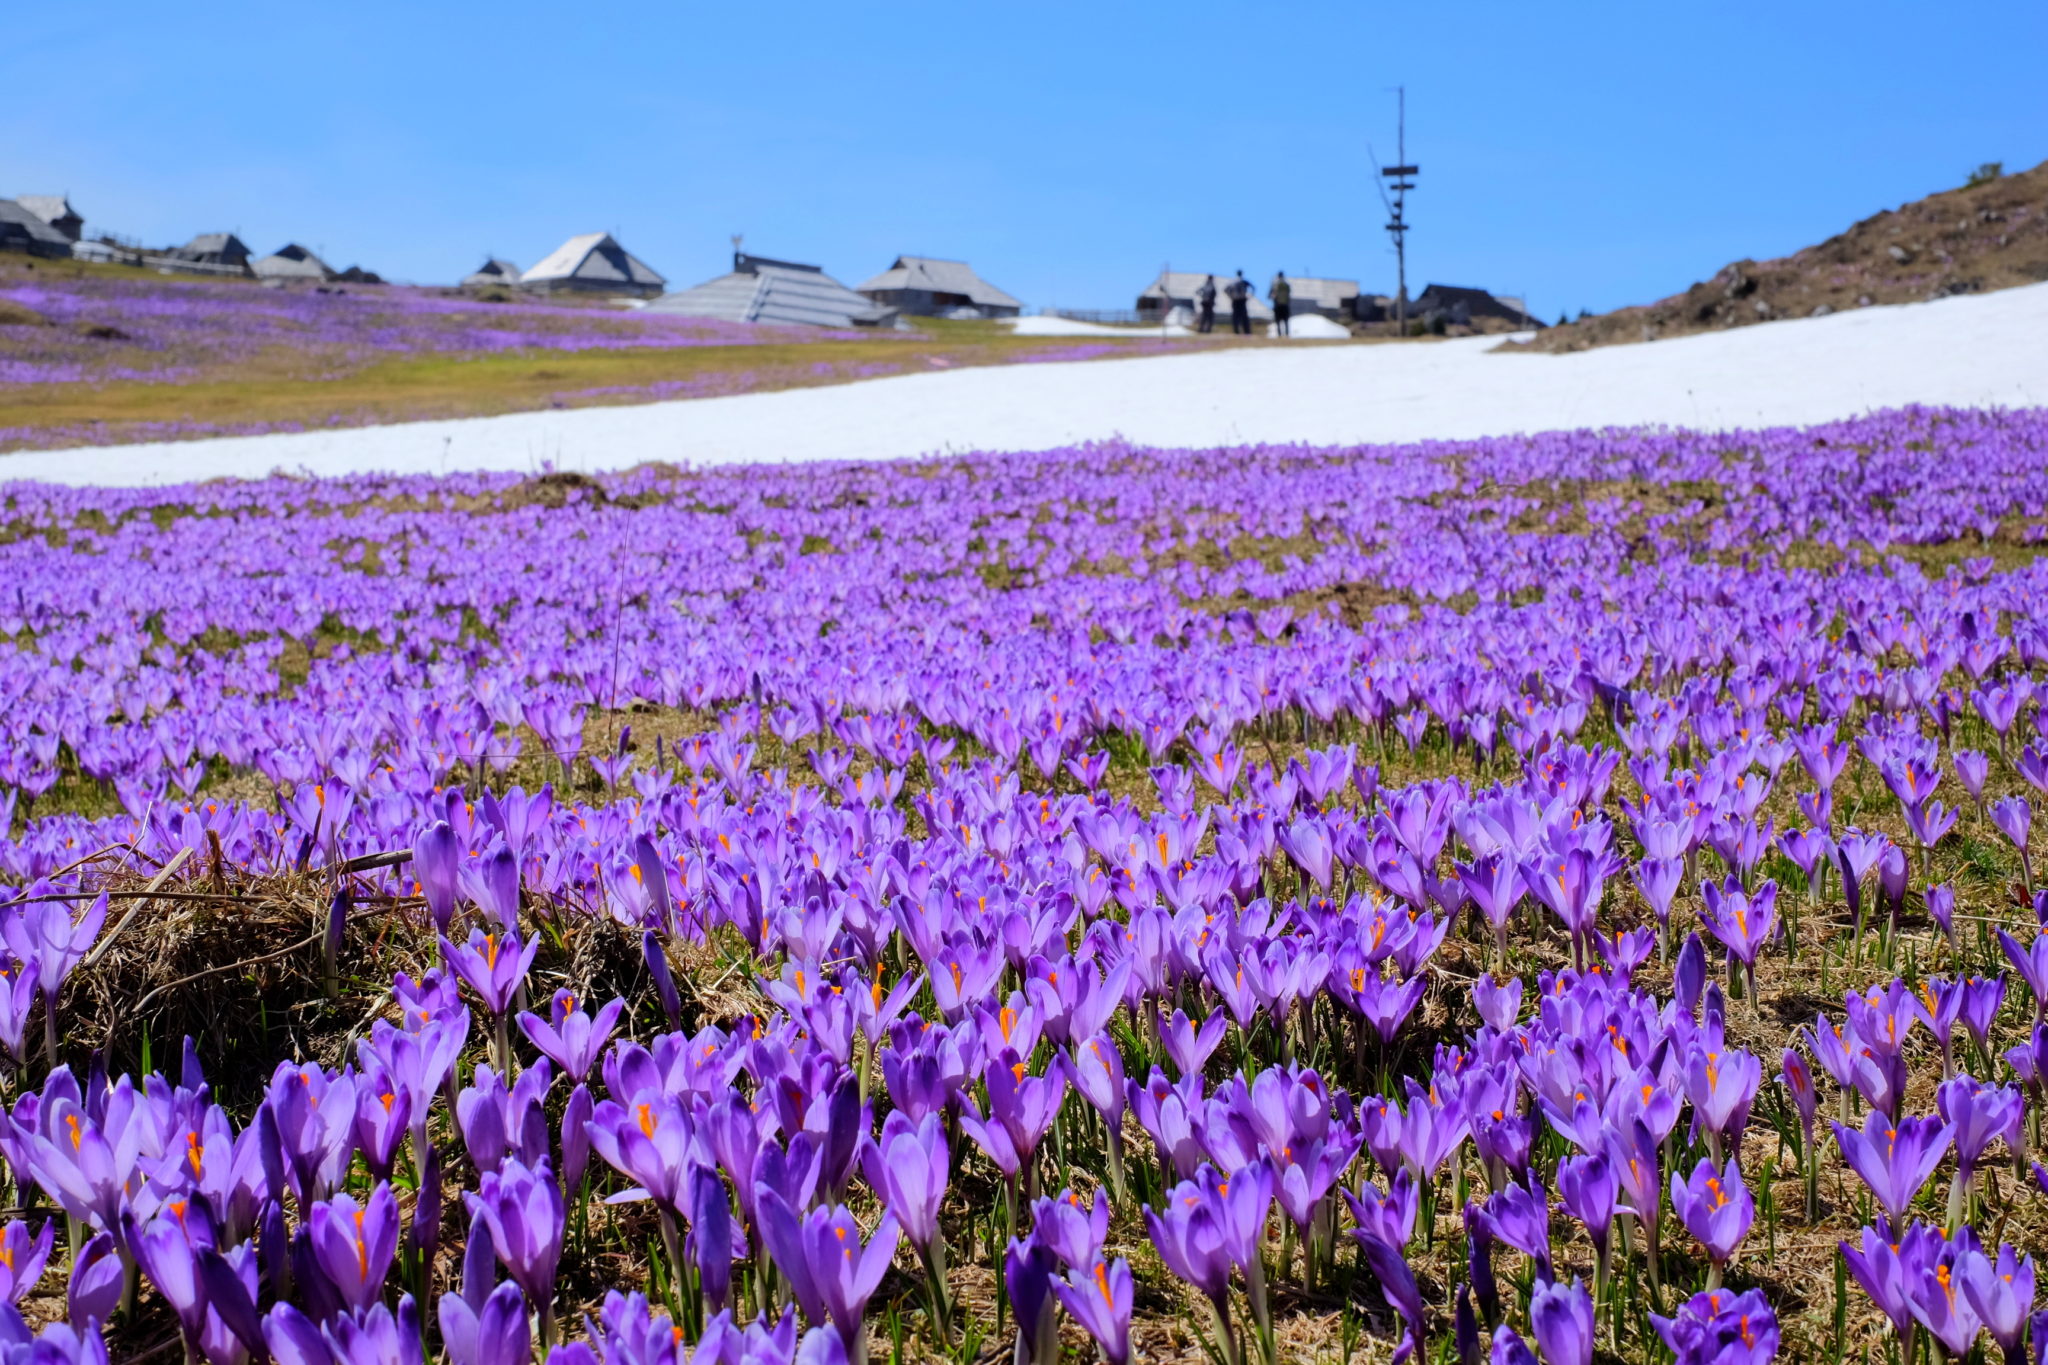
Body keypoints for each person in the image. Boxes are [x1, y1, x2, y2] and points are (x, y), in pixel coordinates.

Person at [1224, 270, 1253, 335]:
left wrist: (1230, 296)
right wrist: (1250, 295)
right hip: (1242, 300)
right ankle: (1246, 331)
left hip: (1234, 300)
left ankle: (1236, 331)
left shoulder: (1232, 281)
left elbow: (1225, 289)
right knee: (1244, 316)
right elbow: (1253, 287)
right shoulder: (1243, 281)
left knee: (1235, 316)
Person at [1270, 271, 1292, 337]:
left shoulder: (1275, 284)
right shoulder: (1286, 285)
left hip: (1278, 305)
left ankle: (1279, 334)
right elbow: (1289, 294)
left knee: (1278, 321)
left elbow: (1271, 295)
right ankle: (1287, 334)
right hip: (1285, 305)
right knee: (1286, 321)